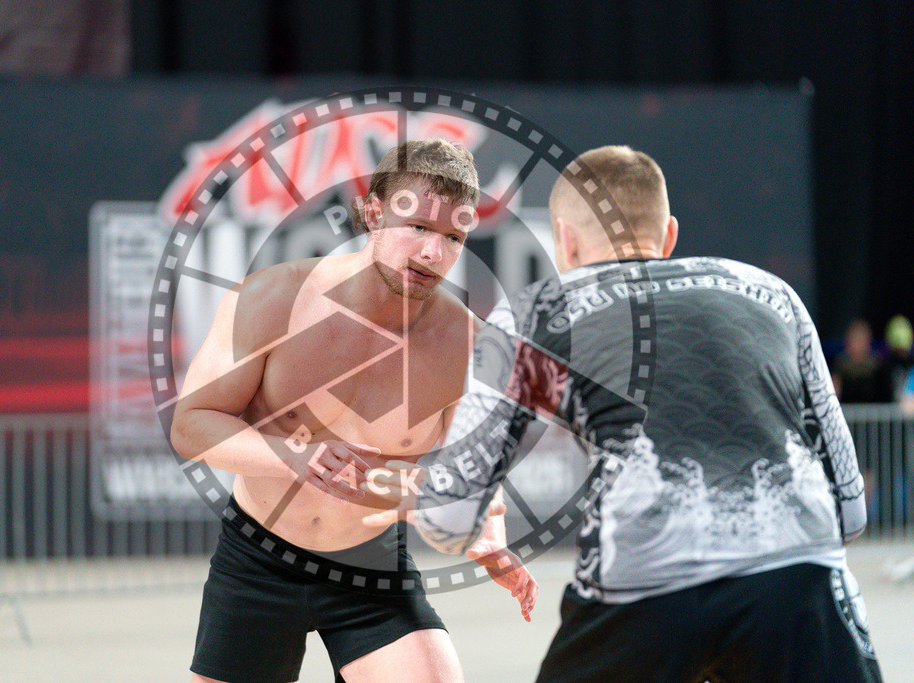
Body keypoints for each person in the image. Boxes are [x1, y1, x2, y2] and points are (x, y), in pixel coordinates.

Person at [383, 145, 882, 681]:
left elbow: (449, 520)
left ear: (564, 241)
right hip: (800, 583)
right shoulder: (771, 293)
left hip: (642, 587)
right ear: (667, 235)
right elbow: (850, 511)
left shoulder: (533, 314)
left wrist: (379, 482)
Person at [171, 138, 537, 683]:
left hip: (372, 567)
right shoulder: (274, 299)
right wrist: (293, 455)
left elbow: (476, 468)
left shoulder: (469, 346)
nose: (433, 253)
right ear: (371, 213)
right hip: (259, 560)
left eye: (452, 237)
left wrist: (490, 531)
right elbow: (191, 425)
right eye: (417, 227)